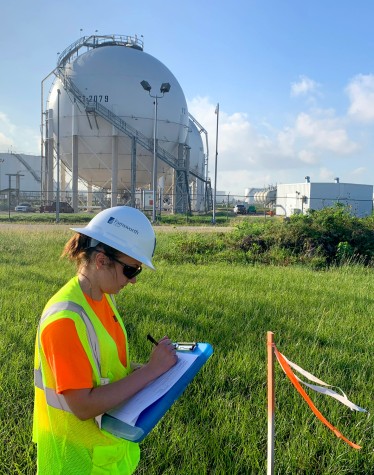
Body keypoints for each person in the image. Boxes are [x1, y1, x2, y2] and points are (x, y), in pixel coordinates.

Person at [33, 206, 178, 474]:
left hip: (105, 455)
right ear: (101, 260)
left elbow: (103, 370)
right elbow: (83, 406)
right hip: (76, 462)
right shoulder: (65, 319)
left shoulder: (102, 298)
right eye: (131, 270)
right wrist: (151, 370)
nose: (133, 281)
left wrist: (147, 370)